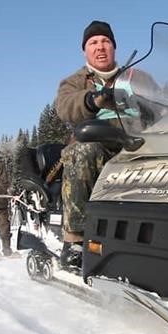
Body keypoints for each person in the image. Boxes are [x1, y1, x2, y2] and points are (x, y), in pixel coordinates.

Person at [54, 20, 119, 266]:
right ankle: (75, 240)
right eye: (93, 43)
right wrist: (92, 101)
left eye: (105, 41)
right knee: (83, 152)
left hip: (137, 141)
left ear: (114, 47)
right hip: (96, 141)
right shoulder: (75, 80)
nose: (100, 47)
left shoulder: (136, 77)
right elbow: (65, 106)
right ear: (85, 50)